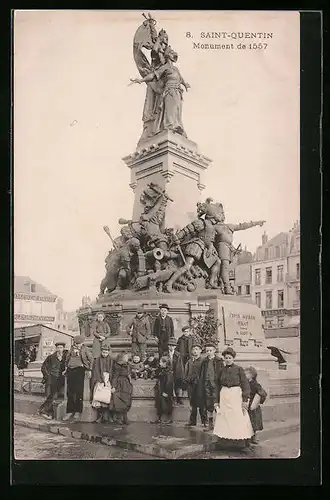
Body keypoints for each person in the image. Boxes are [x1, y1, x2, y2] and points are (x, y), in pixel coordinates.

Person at [213, 347, 253, 447]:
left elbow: (245, 385)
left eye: (230, 358)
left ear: (233, 358)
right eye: (226, 358)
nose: (228, 360)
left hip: (236, 395)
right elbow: (217, 385)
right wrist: (216, 401)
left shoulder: (239, 369)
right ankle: (225, 442)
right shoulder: (221, 370)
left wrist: (245, 399)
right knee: (224, 417)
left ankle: (239, 443)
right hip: (224, 395)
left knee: (237, 417)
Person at [63, 335, 94, 422]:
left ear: (82, 343)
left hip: (79, 370)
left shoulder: (85, 349)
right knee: (70, 392)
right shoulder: (71, 349)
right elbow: (67, 359)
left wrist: (89, 369)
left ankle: (77, 411)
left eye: (78, 344)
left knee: (79, 391)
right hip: (70, 370)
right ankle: (69, 411)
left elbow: (91, 359)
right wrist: (66, 368)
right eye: (76, 343)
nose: (77, 345)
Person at [38, 339, 68, 420]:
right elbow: (43, 367)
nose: (59, 349)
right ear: (56, 348)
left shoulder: (67, 357)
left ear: (63, 348)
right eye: (58, 348)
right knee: (51, 395)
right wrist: (47, 376)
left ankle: (44, 410)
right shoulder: (51, 357)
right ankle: (47, 412)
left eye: (61, 347)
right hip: (52, 378)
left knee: (53, 395)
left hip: (61, 379)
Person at [199, 340, 224, 431]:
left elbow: (221, 373)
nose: (208, 352)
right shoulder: (204, 361)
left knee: (217, 403)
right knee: (208, 404)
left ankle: (220, 424)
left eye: (210, 350)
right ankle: (210, 423)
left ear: (214, 351)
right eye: (207, 351)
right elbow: (201, 374)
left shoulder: (219, 361)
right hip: (206, 385)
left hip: (216, 385)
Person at [184, 340, 207, 427]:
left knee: (201, 404)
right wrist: (187, 379)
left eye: (197, 349)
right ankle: (192, 421)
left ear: (200, 351)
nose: (195, 351)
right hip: (191, 384)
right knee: (192, 403)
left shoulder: (203, 361)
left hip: (200, 385)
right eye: (193, 349)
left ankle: (204, 421)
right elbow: (186, 372)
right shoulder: (190, 361)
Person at [90, 344, 114, 424]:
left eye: (106, 352)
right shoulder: (97, 360)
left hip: (108, 380)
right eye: (103, 352)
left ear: (108, 352)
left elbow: (112, 370)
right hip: (100, 380)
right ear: (101, 352)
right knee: (99, 398)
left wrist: (108, 381)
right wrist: (100, 380)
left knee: (107, 398)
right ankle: (100, 416)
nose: (104, 354)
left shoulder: (111, 360)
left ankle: (107, 416)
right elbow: (96, 370)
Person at [245, 366, 268, 444]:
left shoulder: (255, 384)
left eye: (247, 373)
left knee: (254, 422)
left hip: (253, 406)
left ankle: (254, 436)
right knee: (247, 422)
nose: (245, 374)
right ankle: (247, 436)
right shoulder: (244, 383)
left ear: (252, 375)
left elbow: (262, 393)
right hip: (246, 404)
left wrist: (257, 400)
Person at [110, 352, 133, 425]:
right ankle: (119, 418)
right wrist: (113, 386)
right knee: (119, 401)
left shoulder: (127, 365)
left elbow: (129, 373)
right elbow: (115, 377)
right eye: (126, 357)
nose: (127, 358)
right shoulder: (117, 366)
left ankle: (125, 417)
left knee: (126, 400)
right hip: (120, 384)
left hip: (126, 384)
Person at [151, 355, 174, 424]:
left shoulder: (168, 372)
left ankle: (168, 419)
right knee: (159, 405)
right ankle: (159, 419)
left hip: (165, 392)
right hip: (160, 391)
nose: (159, 363)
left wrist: (166, 392)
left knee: (166, 405)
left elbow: (169, 383)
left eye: (161, 362)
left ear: (165, 363)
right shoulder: (162, 370)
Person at [168, 337, 185, 405]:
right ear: (168, 346)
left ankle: (179, 399)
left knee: (178, 386)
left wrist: (180, 374)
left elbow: (180, 365)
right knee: (169, 386)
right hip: (168, 372)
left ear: (175, 347)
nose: (171, 347)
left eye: (173, 346)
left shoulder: (178, 355)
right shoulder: (165, 354)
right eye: (170, 345)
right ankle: (171, 399)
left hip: (176, 372)